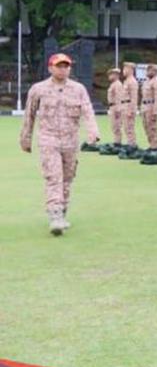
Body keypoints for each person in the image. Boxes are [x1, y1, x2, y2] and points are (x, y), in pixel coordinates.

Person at [20, 53, 100, 235]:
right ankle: (55, 215)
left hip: (71, 141)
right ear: (50, 68)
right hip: (48, 139)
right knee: (53, 176)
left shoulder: (78, 89)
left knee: (67, 178)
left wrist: (93, 131)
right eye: (59, 66)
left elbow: (87, 110)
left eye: (66, 66)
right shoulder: (38, 89)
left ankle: (62, 212)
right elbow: (29, 115)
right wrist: (26, 139)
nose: (63, 69)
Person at [140, 64, 157, 149]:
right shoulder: (146, 82)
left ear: (155, 72)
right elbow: (143, 96)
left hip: (151, 106)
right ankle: (151, 145)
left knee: (152, 128)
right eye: (147, 70)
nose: (147, 72)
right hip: (145, 106)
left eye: (150, 70)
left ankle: (155, 146)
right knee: (146, 127)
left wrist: (156, 111)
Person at [121, 61, 139, 148]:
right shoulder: (126, 81)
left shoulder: (132, 82)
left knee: (129, 127)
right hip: (124, 105)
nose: (123, 71)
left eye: (125, 69)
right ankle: (129, 143)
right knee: (126, 127)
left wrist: (132, 110)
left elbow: (134, 97)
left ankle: (132, 145)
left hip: (128, 106)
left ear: (130, 70)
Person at [105, 68, 124, 145]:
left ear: (116, 75)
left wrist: (118, 109)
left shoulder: (117, 84)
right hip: (112, 106)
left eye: (111, 74)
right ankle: (116, 141)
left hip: (116, 107)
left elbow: (119, 97)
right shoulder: (113, 84)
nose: (109, 76)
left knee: (117, 126)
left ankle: (118, 143)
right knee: (114, 126)